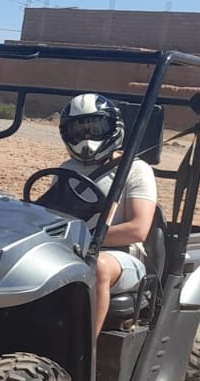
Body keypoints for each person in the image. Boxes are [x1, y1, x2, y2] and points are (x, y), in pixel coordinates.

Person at [56, 94, 158, 339]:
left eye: (95, 128)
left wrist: (85, 239)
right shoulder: (66, 169)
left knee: (97, 267)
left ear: (112, 129)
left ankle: (83, 351)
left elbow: (138, 229)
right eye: (78, 131)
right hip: (73, 249)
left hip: (122, 257)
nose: (87, 138)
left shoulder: (135, 170)